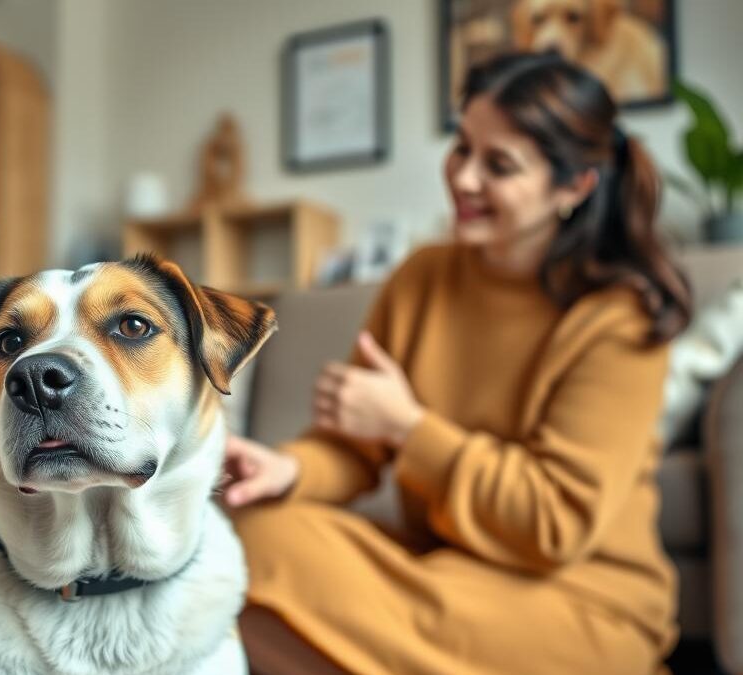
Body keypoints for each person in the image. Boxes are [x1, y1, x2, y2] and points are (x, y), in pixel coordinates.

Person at [223, 51, 691, 675]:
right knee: (245, 539)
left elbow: (555, 524)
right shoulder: (423, 277)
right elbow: (354, 448)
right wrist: (287, 468)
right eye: (461, 147)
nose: (464, 178)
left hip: (576, 594)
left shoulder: (620, 318)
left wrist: (409, 429)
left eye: (498, 165)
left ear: (574, 187)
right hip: (439, 569)